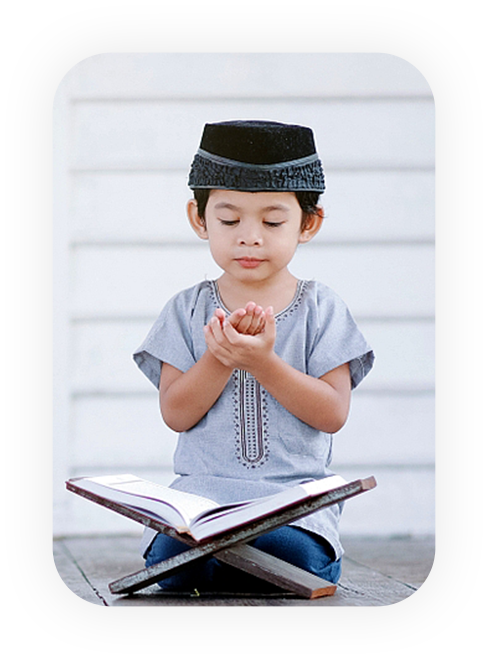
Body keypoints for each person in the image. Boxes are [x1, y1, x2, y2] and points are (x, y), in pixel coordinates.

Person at [133, 120, 374, 591]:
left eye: (272, 221)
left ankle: (230, 564)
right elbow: (176, 413)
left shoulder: (322, 309)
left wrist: (263, 362)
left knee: (286, 551)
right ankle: (223, 561)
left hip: (292, 507)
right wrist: (219, 358)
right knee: (170, 555)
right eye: (229, 220)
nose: (249, 237)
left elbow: (333, 413)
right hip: (202, 506)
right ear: (198, 218)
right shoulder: (186, 310)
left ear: (309, 223)